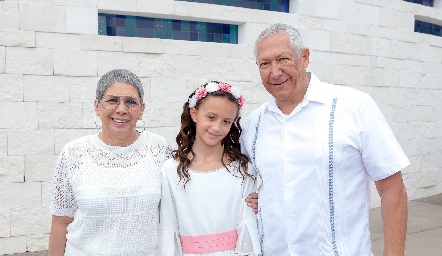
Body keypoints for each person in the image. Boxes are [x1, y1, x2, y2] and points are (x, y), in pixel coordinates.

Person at [240, 23, 410, 255]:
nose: (275, 72)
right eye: (265, 64)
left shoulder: (354, 106)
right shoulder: (253, 124)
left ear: (305, 57)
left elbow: (392, 187)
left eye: (283, 59)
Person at [48, 69, 172, 256]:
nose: (121, 109)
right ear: (97, 106)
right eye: (112, 100)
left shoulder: (160, 149)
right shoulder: (74, 153)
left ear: (141, 109)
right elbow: (60, 223)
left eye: (130, 102)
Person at [159, 81, 261, 255]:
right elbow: (168, 228)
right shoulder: (171, 170)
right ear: (194, 114)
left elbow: (248, 224)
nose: (217, 128)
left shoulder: (243, 169)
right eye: (211, 117)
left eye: (226, 121)